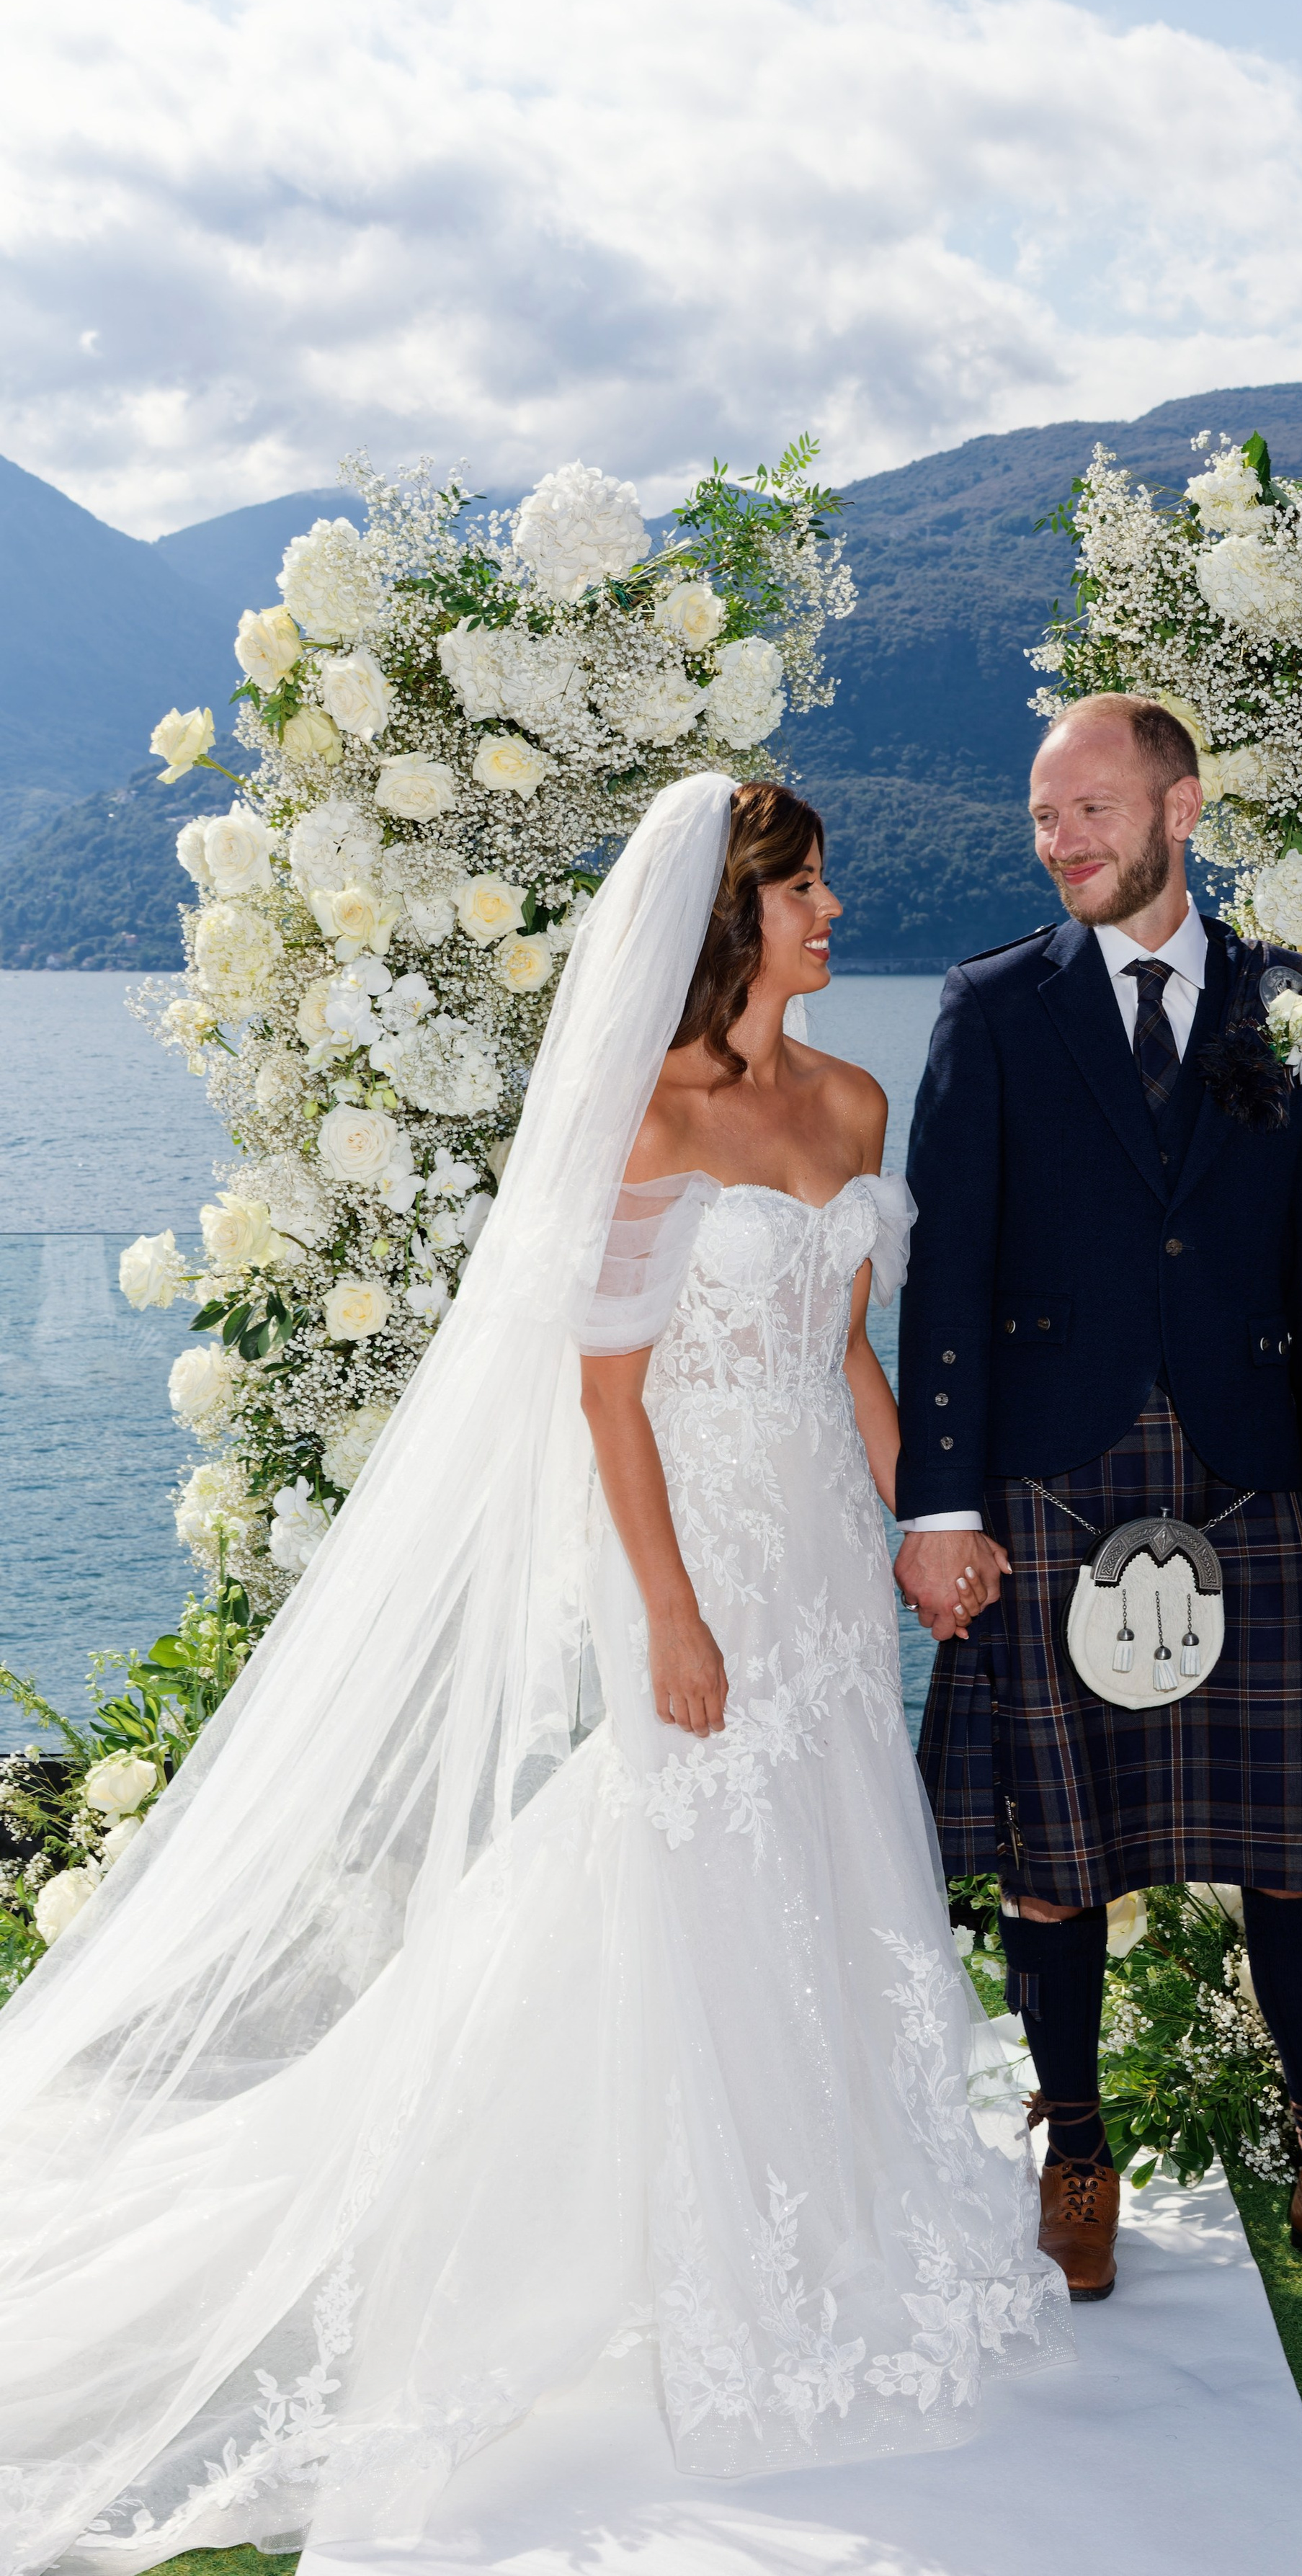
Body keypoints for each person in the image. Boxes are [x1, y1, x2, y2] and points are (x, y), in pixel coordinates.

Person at [0, 775, 1071, 2576]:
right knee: (680, 1855)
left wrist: (921, 1516)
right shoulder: (649, 1123)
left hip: (817, 1546)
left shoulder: (853, 1098)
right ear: (736, 921)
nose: (832, 911)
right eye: (806, 890)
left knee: (823, 1844)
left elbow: (845, 1346)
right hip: (694, 1547)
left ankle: (832, 2207)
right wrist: (664, 1609)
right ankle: (670, 2231)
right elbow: (604, 1396)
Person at [894, 694, 1302, 2319]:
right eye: (1040, 816)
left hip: (1253, 1480)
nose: (1060, 838)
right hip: (1049, 1477)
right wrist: (937, 1504)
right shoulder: (992, 1008)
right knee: (1052, 1859)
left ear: (1179, 806)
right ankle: (1072, 2156)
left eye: (1088, 808)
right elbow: (943, 1273)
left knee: (1292, 1852)